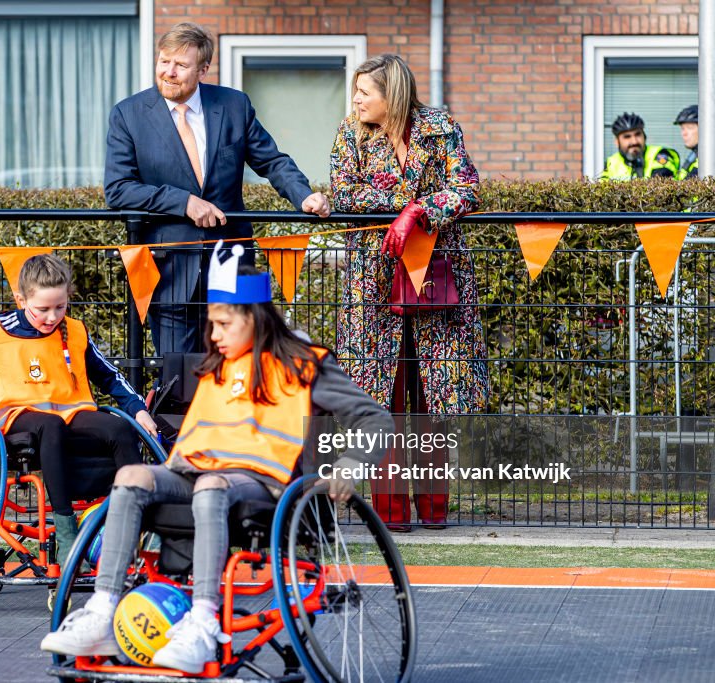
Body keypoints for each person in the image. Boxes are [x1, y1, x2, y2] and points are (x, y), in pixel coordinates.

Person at [41, 242, 394, 674]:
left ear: (255, 319)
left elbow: (375, 418)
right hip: (197, 473)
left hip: (266, 484)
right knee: (132, 475)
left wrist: (352, 464)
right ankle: (101, 610)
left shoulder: (305, 364)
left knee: (211, 485)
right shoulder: (217, 365)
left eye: (224, 324)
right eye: (212, 324)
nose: (215, 335)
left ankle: (204, 621)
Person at [329, 54, 489, 531]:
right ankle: (391, 512)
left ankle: (435, 507)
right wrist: (408, 206)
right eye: (355, 91)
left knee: (432, 393)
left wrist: (418, 211)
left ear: (391, 95)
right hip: (374, 277)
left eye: (364, 92)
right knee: (385, 393)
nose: (355, 99)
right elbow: (343, 195)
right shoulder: (349, 134)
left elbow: (468, 187)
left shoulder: (440, 127)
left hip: (437, 269)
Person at [104, 22, 330, 357]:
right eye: (163, 61)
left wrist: (304, 195)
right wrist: (184, 202)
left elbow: (272, 161)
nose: (168, 72)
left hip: (231, 260)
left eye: (180, 65)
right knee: (178, 375)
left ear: (203, 69)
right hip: (168, 268)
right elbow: (118, 189)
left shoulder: (235, 105)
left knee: (238, 365)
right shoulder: (128, 114)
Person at [0, 254, 158, 566]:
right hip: (13, 419)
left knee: (120, 429)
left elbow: (109, 376)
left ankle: (137, 522)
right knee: (50, 426)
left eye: (60, 307)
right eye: (43, 309)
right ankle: (65, 531)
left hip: (71, 413)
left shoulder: (74, 331)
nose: (52, 317)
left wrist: (138, 410)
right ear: (21, 299)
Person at [599, 112, 679, 180]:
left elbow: (662, 187)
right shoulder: (611, 163)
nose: (634, 141)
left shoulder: (659, 154)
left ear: (644, 136)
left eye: (638, 135)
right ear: (617, 142)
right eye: (627, 137)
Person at [674, 105, 699, 179]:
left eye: (689, 128)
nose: (684, 133)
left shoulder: (709, 158)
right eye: (682, 128)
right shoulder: (694, 155)